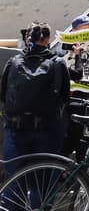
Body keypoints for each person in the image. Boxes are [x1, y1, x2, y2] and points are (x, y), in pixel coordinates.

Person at [0, 22, 71, 172]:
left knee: (14, 179)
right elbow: (65, 97)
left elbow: (2, 94)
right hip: (47, 130)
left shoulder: (13, 61)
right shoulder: (57, 63)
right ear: (47, 39)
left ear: (28, 38)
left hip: (15, 130)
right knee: (43, 180)